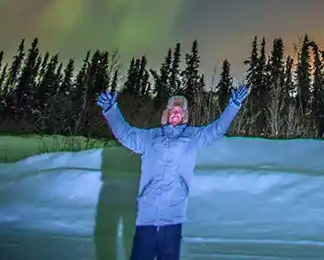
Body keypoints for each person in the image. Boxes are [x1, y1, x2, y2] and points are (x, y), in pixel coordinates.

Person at [97, 84, 249, 260]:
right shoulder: (150, 137)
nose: (176, 113)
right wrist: (111, 110)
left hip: (173, 218)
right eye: (173, 110)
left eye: (180, 111)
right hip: (147, 217)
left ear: (184, 115)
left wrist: (233, 106)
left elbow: (217, 130)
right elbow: (125, 134)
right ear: (166, 114)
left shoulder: (192, 137)